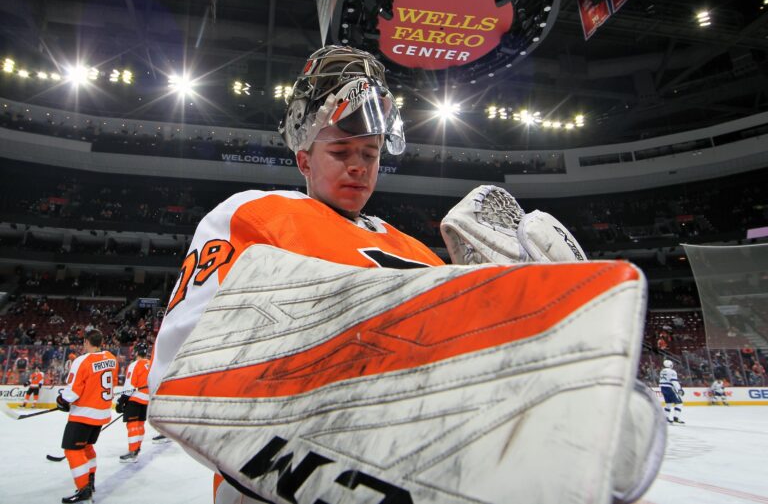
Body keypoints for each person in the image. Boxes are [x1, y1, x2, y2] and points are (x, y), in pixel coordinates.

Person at [148, 46, 659, 504]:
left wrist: (532, 324)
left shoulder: (411, 245)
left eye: (369, 154)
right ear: (303, 157)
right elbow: (184, 372)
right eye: (341, 152)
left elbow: (451, 369)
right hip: (279, 480)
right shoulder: (254, 214)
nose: (359, 167)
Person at [56, 329, 118, 503]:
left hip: (84, 414)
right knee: (87, 447)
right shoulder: (112, 359)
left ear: (86, 342)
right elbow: (111, 383)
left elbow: (73, 391)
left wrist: (62, 400)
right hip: (102, 413)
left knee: (72, 450)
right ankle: (90, 481)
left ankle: (84, 489)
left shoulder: (82, 361)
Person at [115, 344, 150, 462]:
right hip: (147, 400)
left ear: (136, 353)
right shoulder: (151, 364)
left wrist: (122, 400)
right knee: (140, 424)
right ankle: (137, 448)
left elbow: (130, 385)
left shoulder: (135, 365)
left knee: (132, 425)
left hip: (135, 399)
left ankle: (133, 452)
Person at [659, 359, 685, 424]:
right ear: (670, 365)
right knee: (679, 403)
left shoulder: (662, 371)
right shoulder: (672, 371)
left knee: (668, 403)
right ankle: (676, 417)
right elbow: (674, 381)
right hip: (669, 388)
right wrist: (679, 389)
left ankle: (666, 418)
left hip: (663, 388)